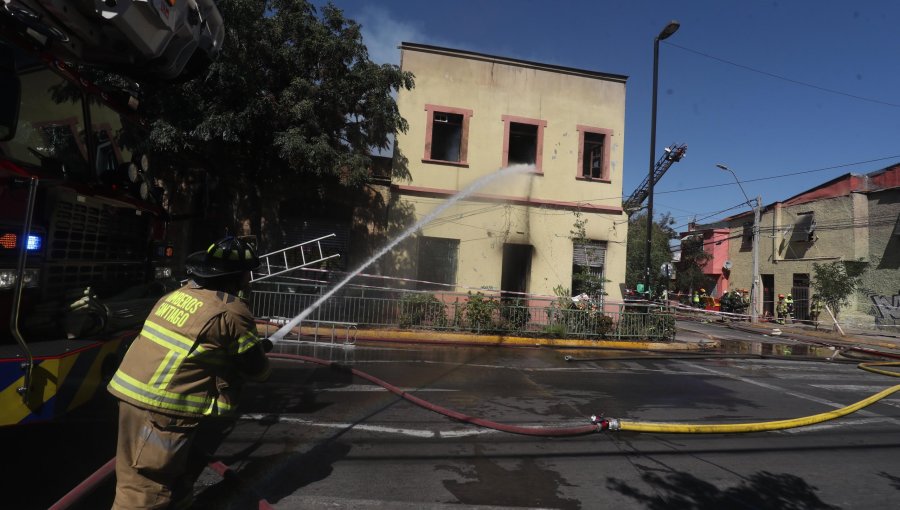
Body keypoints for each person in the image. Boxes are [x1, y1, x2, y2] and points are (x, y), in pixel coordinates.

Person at [108, 236, 272, 509]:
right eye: (247, 274)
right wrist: (259, 351)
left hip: (131, 397)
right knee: (148, 489)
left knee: (144, 476)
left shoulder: (176, 295)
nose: (249, 280)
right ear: (238, 276)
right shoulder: (231, 311)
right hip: (163, 411)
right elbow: (258, 371)